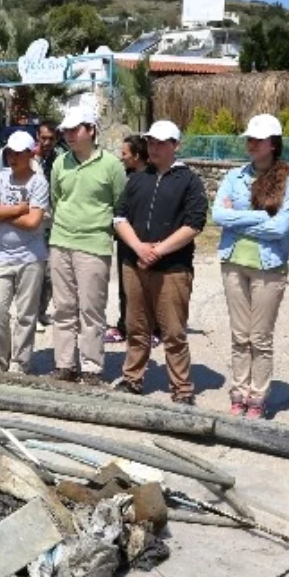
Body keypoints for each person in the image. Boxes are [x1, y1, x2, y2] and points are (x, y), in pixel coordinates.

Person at [212, 114, 289, 418]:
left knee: (259, 338)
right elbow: (217, 217)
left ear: (273, 144)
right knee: (240, 335)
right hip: (234, 262)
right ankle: (239, 391)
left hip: (268, 267)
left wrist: (237, 220)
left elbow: (280, 230)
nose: (251, 144)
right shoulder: (235, 176)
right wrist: (260, 217)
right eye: (249, 139)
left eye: (257, 139)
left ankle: (258, 396)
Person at [112, 120, 207, 400]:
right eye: (151, 142)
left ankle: (181, 388)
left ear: (175, 145)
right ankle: (133, 379)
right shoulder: (137, 178)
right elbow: (119, 217)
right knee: (136, 327)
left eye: (161, 143)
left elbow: (194, 224)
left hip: (172, 269)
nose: (154, 147)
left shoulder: (189, 181)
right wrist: (139, 248)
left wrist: (159, 250)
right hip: (134, 264)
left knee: (173, 332)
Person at [47, 108, 127, 384]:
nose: (68, 135)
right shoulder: (60, 163)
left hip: (94, 245)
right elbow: (57, 199)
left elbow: (120, 203)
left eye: (74, 130)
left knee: (91, 309)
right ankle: (65, 365)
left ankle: (92, 367)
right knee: (63, 308)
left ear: (91, 130)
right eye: (66, 131)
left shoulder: (111, 165)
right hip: (61, 242)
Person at [0, 131, 49, 373]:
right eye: (10, 152)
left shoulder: (38, 182)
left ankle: (20, 363)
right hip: (4, 255)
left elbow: (33, 222)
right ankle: (1, 360)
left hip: (31, 257)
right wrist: (18, 209)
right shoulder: (1, 178)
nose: (13, 157)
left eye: (19, 153)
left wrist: (4, 212)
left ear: (31, 154)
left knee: (26, 314)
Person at [105, 133, 150, 345]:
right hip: (125, 239)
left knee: (149, 286)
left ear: (137, 155)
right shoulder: (125, 176)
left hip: (147, 240)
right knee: (125, 286)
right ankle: (125, 324)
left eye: (124, 153)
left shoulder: (154, 177)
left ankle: (151, 328)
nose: (121, 157)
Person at [35, 121, 60, 327]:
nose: (47, 142)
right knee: (33, 271)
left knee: (50, 274)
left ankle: (41, 312)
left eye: (51, 139)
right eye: (43, 138)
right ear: (37, 137)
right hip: (31, 224)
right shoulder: (28, 160)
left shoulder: (60, 161)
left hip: (52, 224)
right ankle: (29, 315)